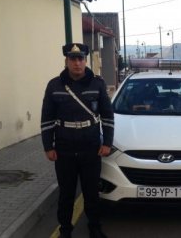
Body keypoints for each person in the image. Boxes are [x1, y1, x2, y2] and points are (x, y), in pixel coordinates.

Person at [41, 43, 114, 238]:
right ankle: (65, 230)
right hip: (64, 148)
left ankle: (94, 227)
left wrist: (107, 142)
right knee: (66, 194)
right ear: (66, 61)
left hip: (90, 147)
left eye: (81, 59)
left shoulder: (97, 84)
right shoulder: (54, 85)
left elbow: (107, 116)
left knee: (91, 192)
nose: (77, 63)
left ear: (85, 61)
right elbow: (47, 119)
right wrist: (48, 146)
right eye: (73, 59)